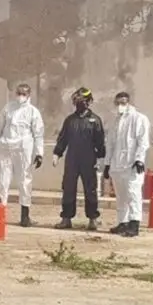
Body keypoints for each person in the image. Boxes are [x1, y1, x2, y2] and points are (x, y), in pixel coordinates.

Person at [0, 83, 44, 227]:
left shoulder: (33, 112)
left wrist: (39, 153)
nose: (20, 96)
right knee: (2, 180)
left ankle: (25, 216)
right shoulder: (8, 108)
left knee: (25, 180)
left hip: (23, 148)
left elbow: (38, 134)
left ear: (29, 95)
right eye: (18, 93)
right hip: (5, 146)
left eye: (24, 93)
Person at [51, 87, 105, 231]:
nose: (80, 105)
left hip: (89, 160)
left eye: (83, 102)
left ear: (89, 102)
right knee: (68, 188)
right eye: (77, 102)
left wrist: (101, 159)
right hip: (72, 160)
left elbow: (100, 142)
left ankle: (93, 219)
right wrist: (57, 153)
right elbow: (63, 139)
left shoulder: (95, 121)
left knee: (90, 190)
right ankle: (66, 218)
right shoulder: (70, 120)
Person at [103, 91, 151, 237]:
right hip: (117, 165)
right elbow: (110, 143)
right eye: (117, 103)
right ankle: (122, 222)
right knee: (120, 195)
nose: (120, 106)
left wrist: (139, 159)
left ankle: (134, 223)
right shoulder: (116, 121)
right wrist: (107, 164)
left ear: (128, 102)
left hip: (132, 165)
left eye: (123, 103)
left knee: (133, 194)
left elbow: (143, 141)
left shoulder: (139, 119)